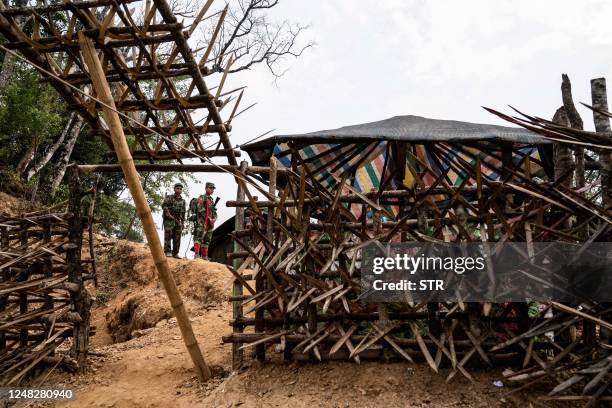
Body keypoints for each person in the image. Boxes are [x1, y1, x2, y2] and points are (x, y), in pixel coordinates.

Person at [193, 182, 217, 260]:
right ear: (206, 188)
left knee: (207, 239)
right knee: (198, 237)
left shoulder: (212, 200)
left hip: (210, 223)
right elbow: (200, 209)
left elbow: (214, 211)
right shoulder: (202, 197)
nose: (212, 190)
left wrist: (214, 219)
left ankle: (204, 256)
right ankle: (196, 254)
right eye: (210, 188)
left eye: (213, 188)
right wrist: (209, 219)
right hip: (202, 222)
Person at [162, 183, 186, 258]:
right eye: (177, 188)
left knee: (177, 237)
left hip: (178, 221)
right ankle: (168, 251)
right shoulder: (169, 197)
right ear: (174, 189)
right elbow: (163, 206)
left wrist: (182, 223)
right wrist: (167, 213)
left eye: (180, 189)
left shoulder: (183, 201)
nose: (179, 190)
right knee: (168, 236)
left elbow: (184, 212)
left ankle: (175, 253)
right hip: (169, 220)